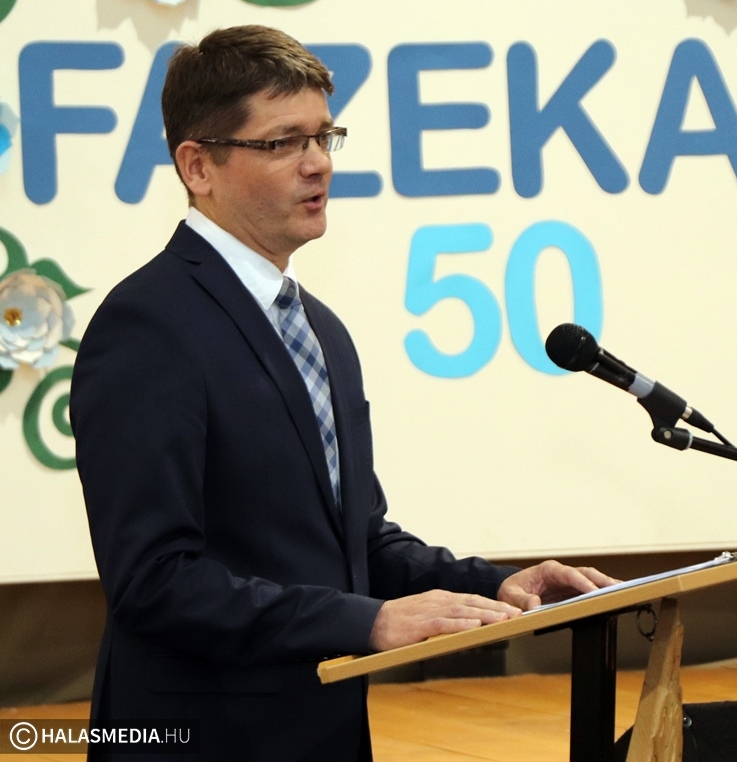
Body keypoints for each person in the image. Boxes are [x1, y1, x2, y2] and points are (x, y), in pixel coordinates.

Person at [70, 24, 617, 761]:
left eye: (324, 137)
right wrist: (367, 622)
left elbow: (358, 541)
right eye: (283, 142)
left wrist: (499, 587)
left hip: (322, 731)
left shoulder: (319, 328)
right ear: (198, 166)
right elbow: (154, 582)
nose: (318, 162)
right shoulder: (148, 325)